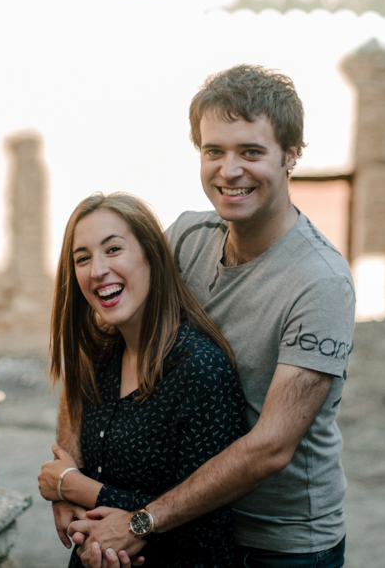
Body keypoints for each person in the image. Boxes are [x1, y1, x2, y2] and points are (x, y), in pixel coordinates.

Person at [64, 64, 356, 568]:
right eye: (213, 151)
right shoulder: (185, 239)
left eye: (251, 152)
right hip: (188, 523)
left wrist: (139, 521)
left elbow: (271, 447)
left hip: (279, 543)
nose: (229, 170)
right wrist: (68, 472)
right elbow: (99, 353)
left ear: (291, 156)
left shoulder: (320, 283)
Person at [37, 192, 246, 567]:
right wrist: (80, 518)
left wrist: (79, 487)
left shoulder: (200, 370)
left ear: (151, 255)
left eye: (113, 250)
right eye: (82, 258)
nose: (97, 269)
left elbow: (204, 525)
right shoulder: (100, 358)